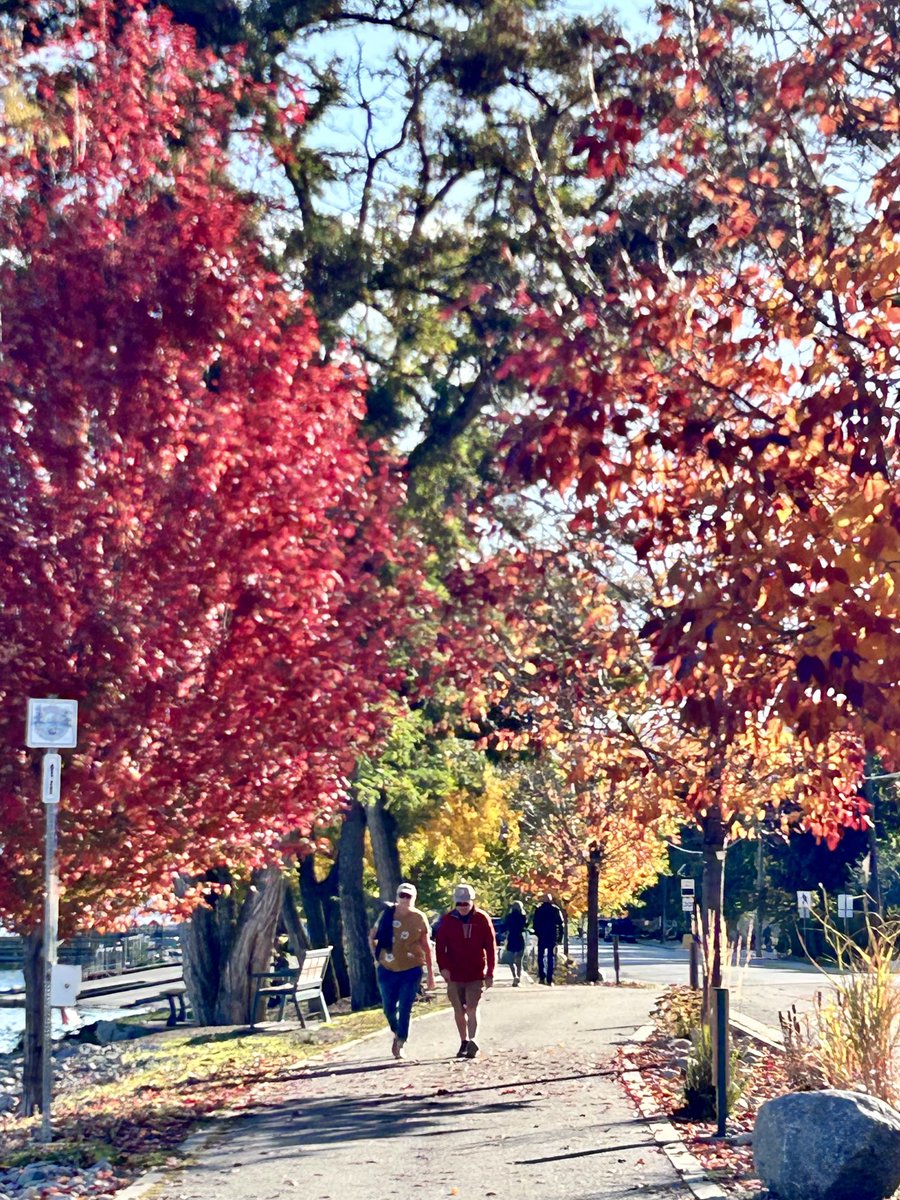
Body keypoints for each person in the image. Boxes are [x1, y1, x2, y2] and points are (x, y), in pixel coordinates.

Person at [369, 882, 435, 1059]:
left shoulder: (419, 918)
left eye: (409, 896)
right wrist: (376, 960)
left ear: (414, 898)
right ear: (397, 897)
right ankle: (397, 1031)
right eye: (402, 896)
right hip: (386, 968)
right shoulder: (387, 914)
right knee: (389, 1008)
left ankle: (401, 1041)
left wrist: (430, 975)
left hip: (411, 969)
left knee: (405, 1007)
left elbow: (427, 947)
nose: (405, 899)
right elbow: (372, 937)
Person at [435, 882, 496, 1059]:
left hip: (476, 972)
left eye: (466, 903)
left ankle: (472, 1040)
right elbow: (440, 947)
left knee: (472, 1007)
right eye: (459, 903)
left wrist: (490, 972)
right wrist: (443, 968)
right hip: (454, 973)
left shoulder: (482, 919)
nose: (462, 907)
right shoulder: (447, 920)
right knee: (459, 1010)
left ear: (472, 902)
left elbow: (490, 947)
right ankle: (463, 1040)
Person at [531, 892, 565, 985]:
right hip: (552, 936)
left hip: (542, 936)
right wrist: (560, 937)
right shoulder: (555, 910)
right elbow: (561, 924)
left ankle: (542, 976)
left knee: (540, 957)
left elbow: (535, 923)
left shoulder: (539, 910)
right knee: (551, 957)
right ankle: (549, 978)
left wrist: (537, 932)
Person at [503, 900, 527, 986]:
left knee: (510, 959)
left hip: (512, 937)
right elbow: (525, 926)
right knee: (519, 960)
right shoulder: (523, 917)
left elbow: (504, 925)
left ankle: (515, 976)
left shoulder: (509, 916)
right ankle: (518, 978)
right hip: (519, 937)